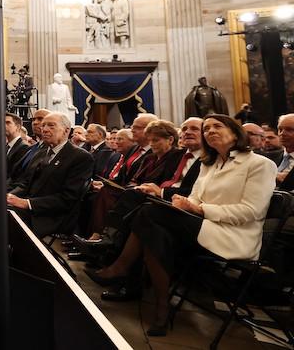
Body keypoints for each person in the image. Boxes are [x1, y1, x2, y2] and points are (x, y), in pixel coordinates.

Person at [86, 115, 276, 337]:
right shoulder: (209, 163)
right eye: (206, 128)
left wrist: (199, 209)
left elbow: (251, 212)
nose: (210, 131)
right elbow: (195, 197)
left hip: (233, 236)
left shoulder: (260, 164)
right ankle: (160, 308)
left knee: (150, 213)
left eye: (217, 126)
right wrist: (185, 204)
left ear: (235, 133)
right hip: (201, 225)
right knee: (155, 231)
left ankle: (122, 270)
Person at [6, 112, 93, 238]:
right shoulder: (40, 153)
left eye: (51, 126)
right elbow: (26, 183)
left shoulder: (80, 157)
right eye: (43, 126)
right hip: (28, 209)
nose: (44, 129)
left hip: (51, 216)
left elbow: (67, 198)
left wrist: (27, 203)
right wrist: (10, 196)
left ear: (66, 131)